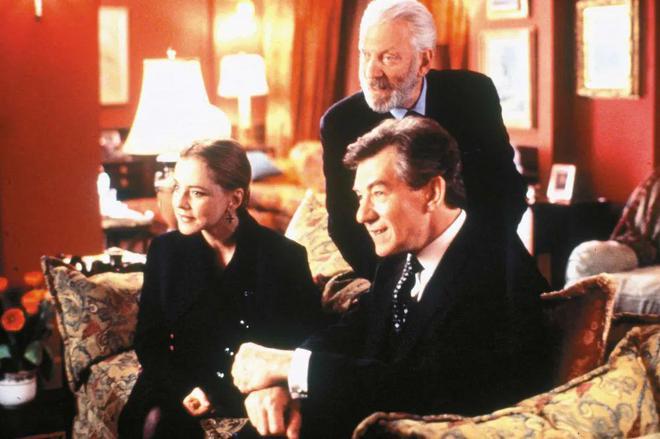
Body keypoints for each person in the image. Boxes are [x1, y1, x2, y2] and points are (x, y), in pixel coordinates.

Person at [231, 118, 551, 438]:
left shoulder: (497, 272)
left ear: (432, 193)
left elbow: (431, 390)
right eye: (361, 196)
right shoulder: (401, 256)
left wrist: (293, 367)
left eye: (379, 193)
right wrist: (284, 382)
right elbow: (354, 330)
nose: (363, 215)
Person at [118, 139, 324, 438]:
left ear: (234, 199)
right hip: (180, 381)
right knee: (155, 421)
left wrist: (216, 393)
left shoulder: (283, 257)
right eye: (177, 187)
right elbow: (150, 340)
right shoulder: (166, 250)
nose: (180, 202)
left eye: (197, 192)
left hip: (247, 389)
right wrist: (187, 389)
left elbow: (301, 346)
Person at [321, 0, 527, 278]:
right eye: (365, 55)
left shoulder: (473, 93)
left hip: (488, 262)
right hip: (394, 276)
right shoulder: (340, 122)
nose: (371, 72)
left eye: (388, 58)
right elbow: (345, 224)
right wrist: (400, 283)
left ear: (424, 61)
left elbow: (507, 191)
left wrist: (465, 267)